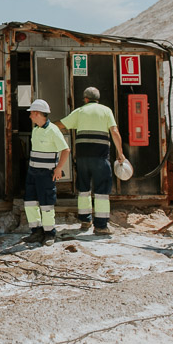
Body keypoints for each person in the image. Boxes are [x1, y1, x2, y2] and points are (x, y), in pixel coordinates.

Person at [56, 86, 127, 235]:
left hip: (82, 158)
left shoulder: (80, 111)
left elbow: (61, 124)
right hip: (100, 158)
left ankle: (85, 220)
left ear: (86, 99)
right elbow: (114, 131)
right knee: (101, 192)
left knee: (83, 189)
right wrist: (120, 153)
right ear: (98, 99)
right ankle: (101, 226)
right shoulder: (106, 111)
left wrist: (45, 125)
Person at [21, 99, 69, 246]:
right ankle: (36, 232)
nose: (30, 116)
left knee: (46, 204)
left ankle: (49, 234)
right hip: (32, 173)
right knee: (29, 203)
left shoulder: (53, 130)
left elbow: (66, 150)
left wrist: (59, 168)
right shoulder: (36, 129)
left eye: (31, 114)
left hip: (46, 174)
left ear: (37, 113)